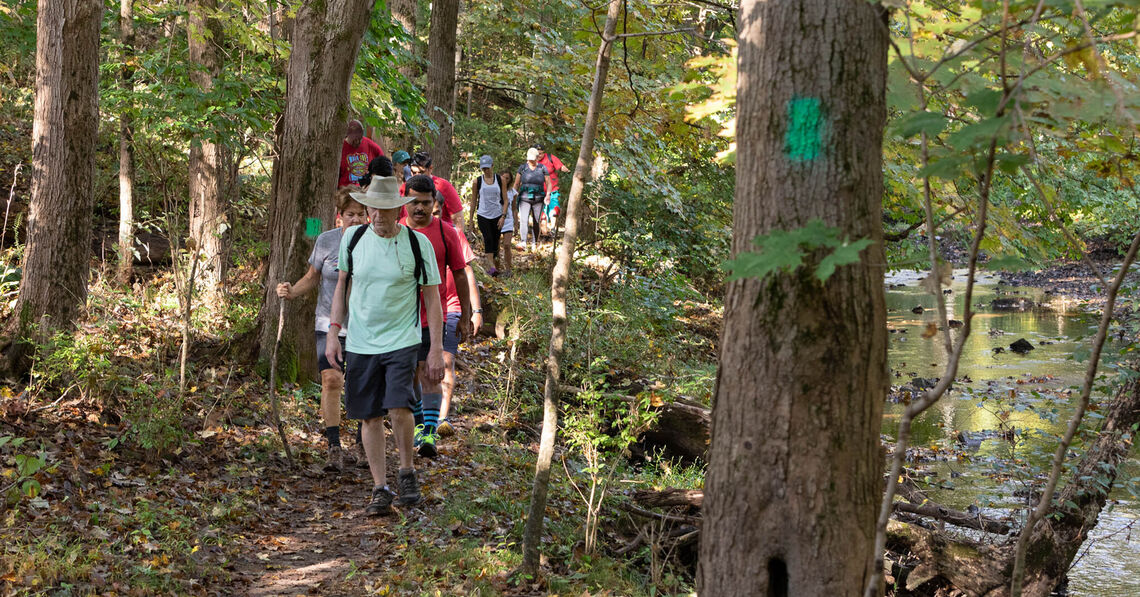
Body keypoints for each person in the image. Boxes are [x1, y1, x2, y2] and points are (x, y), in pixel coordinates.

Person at [326, 176, 445, 516]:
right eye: (371, 208)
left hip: (402, 340)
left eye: (383, 209)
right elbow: (341, 288)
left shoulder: (416, 244)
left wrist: (435, 347)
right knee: (369, 416)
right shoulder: (354, 238)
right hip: (361, 342)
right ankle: (380, 487)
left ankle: (406, 470)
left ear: (398, 210)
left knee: (399, 407)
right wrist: (335, 332)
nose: (376, 215)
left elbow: (433, 300)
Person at [275, 187, 367, 472]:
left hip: (364, 326)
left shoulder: (374, 241)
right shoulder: (326, 241)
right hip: (327, 323)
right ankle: (334, 447)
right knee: (331, 381)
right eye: (350, 214)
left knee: (361, 385)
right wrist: (291, 291)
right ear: (339, 217)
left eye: (360, 214)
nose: (355, 219)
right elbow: (312, 276)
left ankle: (364, 443)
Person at [400, 175, 473, 455]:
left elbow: (460, 272)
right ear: (405, 201)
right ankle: (419, 425)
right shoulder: (394, 230)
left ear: (435, 203)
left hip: (433, 315)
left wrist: (465, 315)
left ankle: (428, 434)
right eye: (414, 202)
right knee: (409, 375)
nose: (419, 208)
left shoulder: (446, 232)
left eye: (425, 202)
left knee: (430, 372)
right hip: (399, 316)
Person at [399, 152, 465, 233]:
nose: (417, 176)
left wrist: (459, 239)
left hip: (440, 234)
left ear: (430, 168)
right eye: (413, 172)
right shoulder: (405, 188)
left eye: (421, 172)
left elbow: (458, 217)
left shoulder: (444, 186)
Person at [468, 155, 509, 276]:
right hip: (483, 215)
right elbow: (474, 200)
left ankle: (496, 266)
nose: (486, 170)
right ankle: (491, 269)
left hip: (497, 215)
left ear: (492, 166)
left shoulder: (500, 180)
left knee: (496, 242)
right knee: (488, 239)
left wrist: (503, 216)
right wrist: (471, 220)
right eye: (483, 168)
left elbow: (505, 200)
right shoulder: (478, 181)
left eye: (487, 168)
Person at [514, 147, 551, 251]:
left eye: (532, 159)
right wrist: (512, 195)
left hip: (538, 198)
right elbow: (516, 183)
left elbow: (548, 183)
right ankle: (523, 242)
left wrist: (548, 195)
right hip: (524, 198)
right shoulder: (523, 168)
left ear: (537, 158)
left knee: (536, 220)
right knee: (524, 219)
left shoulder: (542, 168)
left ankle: (535, 242)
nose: (530, 160)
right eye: (529, 159)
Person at [339, 120, 385, 187]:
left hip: (365, 191)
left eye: (360, 139)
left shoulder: (370, 145)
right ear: (348, 134)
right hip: (346, 191)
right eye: (354, 140)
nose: (357, 142)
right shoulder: (341, 147)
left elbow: (384, 164)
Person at [534, 144, 569, 228]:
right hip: (539, 191)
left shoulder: (550, 157)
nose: (539, 155)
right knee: (542, 214)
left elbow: (560, 166)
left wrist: (566, 170)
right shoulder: (532, 160)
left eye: (541, 153)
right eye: (537, 153)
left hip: (553, 190)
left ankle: (552, 228)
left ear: (544, 153)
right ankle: (544, 233)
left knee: (554, 211)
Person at [499, 171, 518, 275]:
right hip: (496, 219)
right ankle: (496, 268)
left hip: (508, 220)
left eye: (507, 178)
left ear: (510, 180)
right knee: (496, 246)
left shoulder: (512, 192)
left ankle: (508, 269)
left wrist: (516, 224)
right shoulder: (495, 189)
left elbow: (514, 208)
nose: (505, 180)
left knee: (507, 245)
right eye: (503, 177)